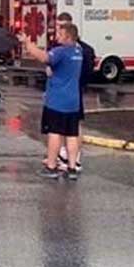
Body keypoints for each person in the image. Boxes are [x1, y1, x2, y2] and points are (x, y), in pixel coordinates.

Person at [19, 23, 84, 180]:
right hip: (73, 101)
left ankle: (51, 166)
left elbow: (43, 57)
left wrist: (27, 44)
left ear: (68, 37)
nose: (57, 37)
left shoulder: (61, 52)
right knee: (72, 134)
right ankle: (72, 168)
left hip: (58, 100)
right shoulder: (78, 51)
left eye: (60, 34)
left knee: (54, 133)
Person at [55, 13, 96, 171]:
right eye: (58, 26)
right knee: (60, 127)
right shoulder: (58, 49)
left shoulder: (84, 50)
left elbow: (87, 73)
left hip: (73, 92)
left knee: (74, 126)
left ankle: (75, 159)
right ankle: (62, 156)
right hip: (58, 94)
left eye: (63, 26)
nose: (59, 30)